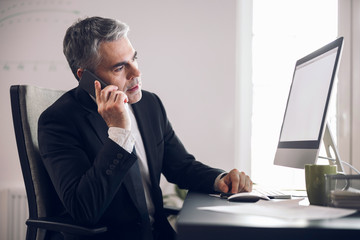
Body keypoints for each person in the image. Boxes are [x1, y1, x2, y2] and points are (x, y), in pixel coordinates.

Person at [38, 16, 252, 240]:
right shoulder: (59, 121)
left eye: (134, 59)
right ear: (85, 77)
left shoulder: (149, 104)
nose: (136, 73)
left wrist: (220, 180)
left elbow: (181, 166)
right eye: (120, 67)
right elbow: (84, 210)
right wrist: (119, 133)